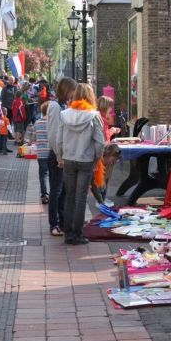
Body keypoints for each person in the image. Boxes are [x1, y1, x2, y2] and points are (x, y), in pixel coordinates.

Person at [58, 83, 105, 245]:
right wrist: (97, 159)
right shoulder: (94, 116)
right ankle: (77, 234)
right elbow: (100, 142)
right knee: (80, 198)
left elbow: (59, 139)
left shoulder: (64, 114)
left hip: (69, 159)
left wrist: (60, 156)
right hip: (86, 160)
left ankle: (68, 233)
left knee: (69, 197)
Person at [46, 77, 77, 237]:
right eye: (72, 91)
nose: (74, 94)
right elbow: (54, 134)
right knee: (56, 190)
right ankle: (54, 223)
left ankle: (63, 221)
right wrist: (59, 157)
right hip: (58, 156)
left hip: (64, 155)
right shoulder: (55, 107)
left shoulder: (63, 106)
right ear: (66, 90)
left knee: (63, 190)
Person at [34, 102, 51, 205]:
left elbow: (33, 137)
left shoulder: (37, 123)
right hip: (52, 153)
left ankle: (44, 195)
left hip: (41, 154)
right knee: (53, 175)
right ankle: (53, 194)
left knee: (43, 174)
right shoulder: (53, 123)